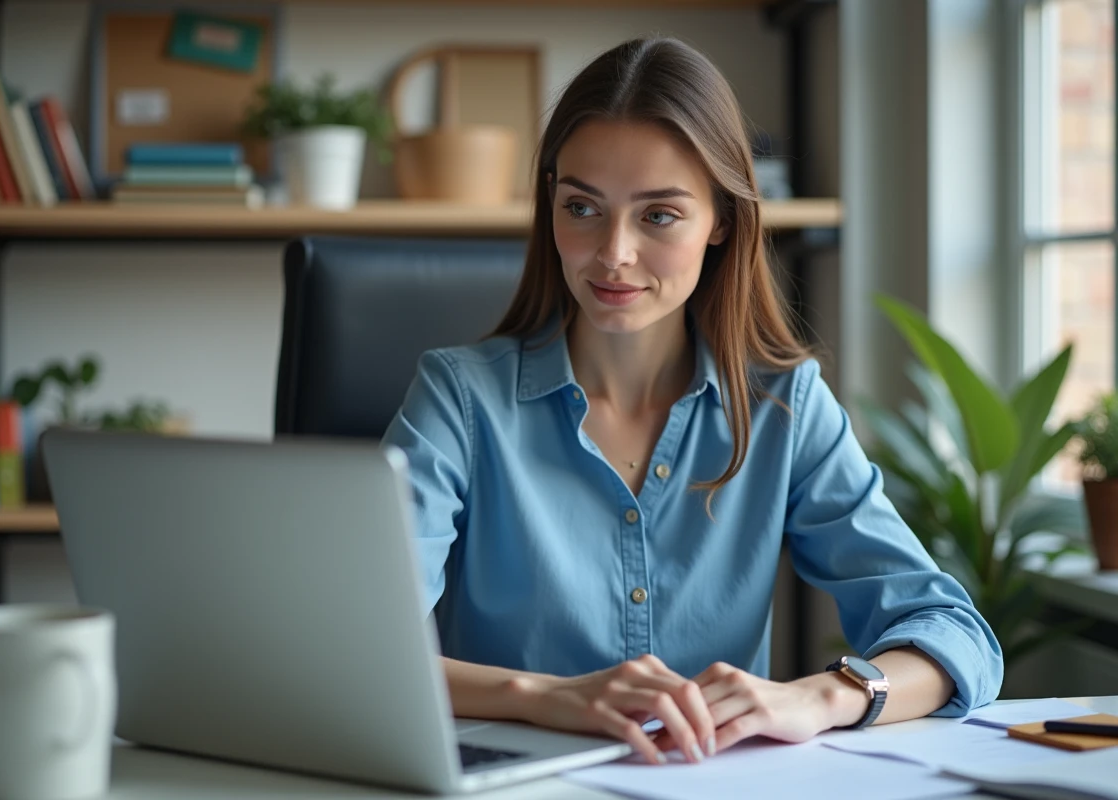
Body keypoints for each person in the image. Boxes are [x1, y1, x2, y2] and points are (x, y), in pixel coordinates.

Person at [382, 36, 1003, 766]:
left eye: (659, 216)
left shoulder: (783, 405)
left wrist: (819, 696)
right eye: (581, 206)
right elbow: (355, 649)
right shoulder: (460, 399)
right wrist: (548, 696)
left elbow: (954, 636)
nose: (612, 252)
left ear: (723, 223)